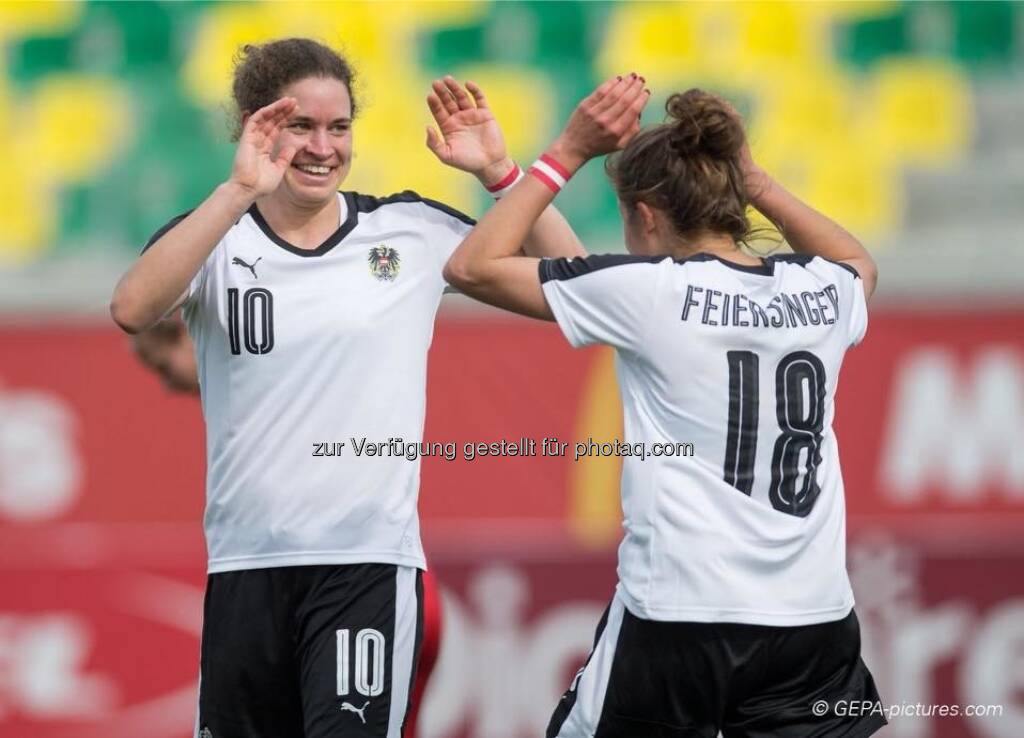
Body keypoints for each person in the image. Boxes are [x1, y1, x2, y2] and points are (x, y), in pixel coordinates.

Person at [110, 36, 587, 738]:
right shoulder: (217, 237)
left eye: (338, 127)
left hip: (364, 566)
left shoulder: (410, 231)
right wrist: (240, 188)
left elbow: (574, 283)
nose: (321, 147)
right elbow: (131, 308)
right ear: (255, 127)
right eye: (299, 125)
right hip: (246, 567)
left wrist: (501, 174)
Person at [444, 77, 886, 737]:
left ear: (645, 215)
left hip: (682, 615)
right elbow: (857, 258)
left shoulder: (653, 293)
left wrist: (563, 152)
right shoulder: (821, 289)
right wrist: (755, 179)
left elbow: (474, 267)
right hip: (813, 621)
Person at [128, 314, 443, 737]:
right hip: (390, 586)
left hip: (356, 586)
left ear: (189, 330)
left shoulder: (277, 376)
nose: (167, 387)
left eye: (164, 367)